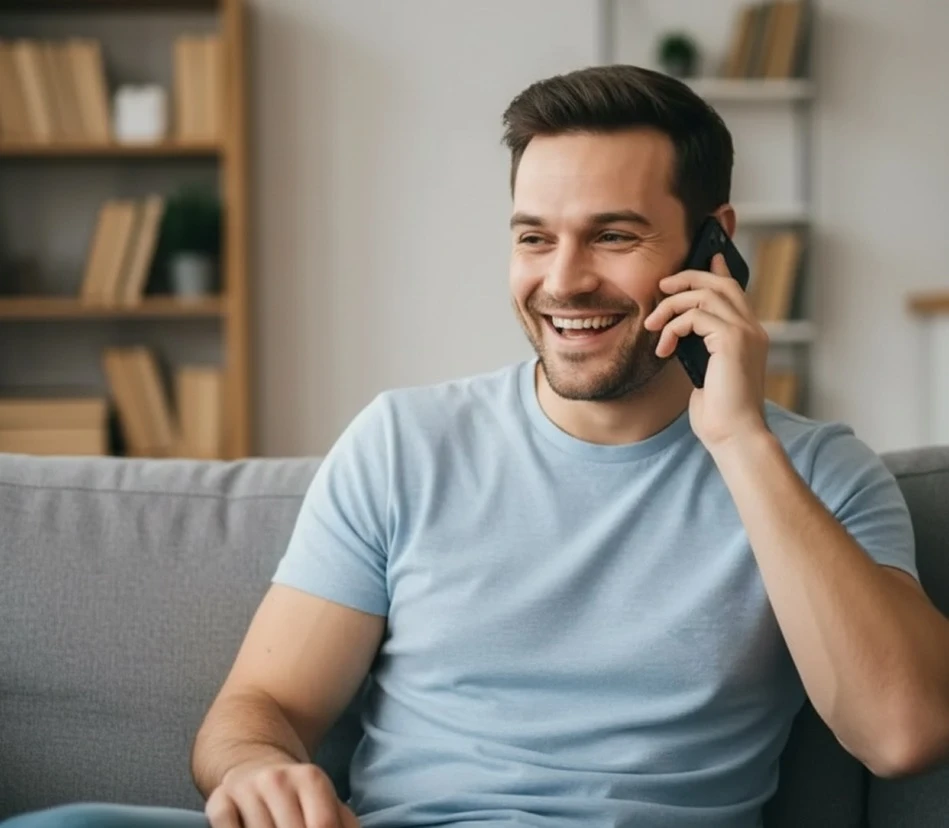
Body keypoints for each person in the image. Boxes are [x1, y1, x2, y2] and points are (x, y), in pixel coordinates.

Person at [6, 64, 949, 828]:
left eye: (613, 236)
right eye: (534, 237)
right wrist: (255, 769)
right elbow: (261, 707)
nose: (563, 280)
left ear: (713, 248)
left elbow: (903, 732)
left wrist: (737, 436)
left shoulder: (817, 472)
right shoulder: (404, 442)